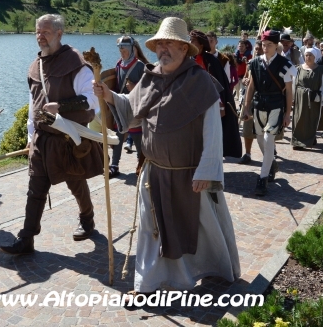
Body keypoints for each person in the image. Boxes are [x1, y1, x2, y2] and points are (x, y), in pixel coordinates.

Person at [93, 17, 240, 295]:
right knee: (152, 230)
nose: (163, 49)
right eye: (160, 43)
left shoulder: (201, 82)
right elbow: (131, 107)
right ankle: (146, 284)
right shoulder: (150, 77)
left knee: (200, 230)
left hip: (191, 175)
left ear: (184, 48)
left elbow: (212, 130)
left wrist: (207, 172)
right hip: (154, 172)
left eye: (170, 43)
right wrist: (110, 95)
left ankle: (212, 269)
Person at [0, 14, 103, 255]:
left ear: (59, 33)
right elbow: (33, 103)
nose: (40, 36)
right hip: (41, 139)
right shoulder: (35, 65)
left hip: (68, 140)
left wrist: (62, 106)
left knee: (76, 183)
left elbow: (93, 100)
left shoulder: (76, 63)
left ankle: (87, 219)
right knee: (35, 188)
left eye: (45, 32)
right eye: (37, 31)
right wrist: (29, 135)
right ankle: (26, 237)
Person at [241, 30, 296, 196]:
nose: (265, 48)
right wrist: (246, 106)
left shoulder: (284, 65)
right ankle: (271, 163)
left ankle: (262, 179)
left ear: (276, 45)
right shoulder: (255, 62)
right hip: (259, 105)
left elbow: (288, 91)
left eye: (269, 45)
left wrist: (287, 114)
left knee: (268, 137)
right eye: (263, 45)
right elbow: (251, 86)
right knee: (259, 137)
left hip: (276, 105)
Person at [190, 30, 242, 159]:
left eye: (193, 41)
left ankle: (212, 165)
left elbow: (221, 85)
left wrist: (221, 104)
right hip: (192, 105)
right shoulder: (189, 60)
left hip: (210, 104)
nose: (190, 43)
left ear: (201, 44)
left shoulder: (212, 61)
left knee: (211, 136)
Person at [109, 36, 148, 177]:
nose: (122, 52)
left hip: (135, 107)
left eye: (124, 49)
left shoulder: (140, 66)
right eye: (120, 49)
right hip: (121, 105)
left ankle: (141, 164)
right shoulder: (119, 64)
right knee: (118, 137)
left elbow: (147, 89)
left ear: (132, 49)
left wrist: (134, 88)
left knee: (138, 139)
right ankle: (114, 165)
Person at [291, 49, 323, 149]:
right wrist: (291, 98)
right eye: (306, 55)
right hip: (300, 98)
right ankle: (297, 142)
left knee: (311, 119)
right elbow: (294, 84)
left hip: (313, 98)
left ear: (315, 57)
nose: (308, 57)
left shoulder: (320, 70)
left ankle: (310, 139)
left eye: (310, 55)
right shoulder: (298, 68)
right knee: (298, 119)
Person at [237, 39, 263, 165]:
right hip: (250, 99)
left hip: (264, 100)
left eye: (260, 49)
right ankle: (247, 153)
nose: (257, 51)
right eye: (256, 49)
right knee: (247, 128)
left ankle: (269, 154)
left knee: (265, 130)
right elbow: (245, 78)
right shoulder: (250, 63)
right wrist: (245, 81)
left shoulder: (270, 64)